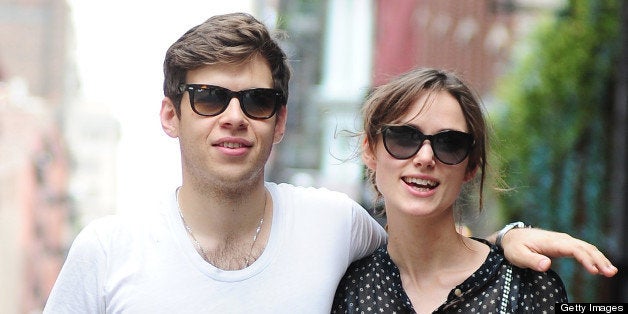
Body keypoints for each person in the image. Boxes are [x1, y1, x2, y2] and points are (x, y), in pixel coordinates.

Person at [44, 13, 617, 313]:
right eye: (211, 97)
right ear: (170, 115)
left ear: (281, 121)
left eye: (258, 100)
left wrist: (503, 242)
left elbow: (431, 250)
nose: (234, 117)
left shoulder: (333, 225)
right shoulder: (106, 252)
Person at [331, 68, 571, 313]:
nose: (425, 157)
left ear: (471, 165)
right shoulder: (341, 289)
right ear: (370, 150)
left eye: (449, 143)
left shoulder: (526, 288)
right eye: (404, 137)